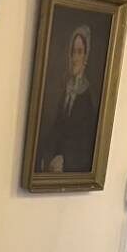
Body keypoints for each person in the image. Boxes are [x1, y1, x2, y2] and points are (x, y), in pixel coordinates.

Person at [37, 23, 98, 174]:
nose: (75, 57)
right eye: (73, 52)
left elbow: (85, 142)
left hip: (71, 165)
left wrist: (65, 160)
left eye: (79, 52)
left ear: (86, 56)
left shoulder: (87, 96)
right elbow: (57, 127)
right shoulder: (66, 89)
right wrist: (47, 154)